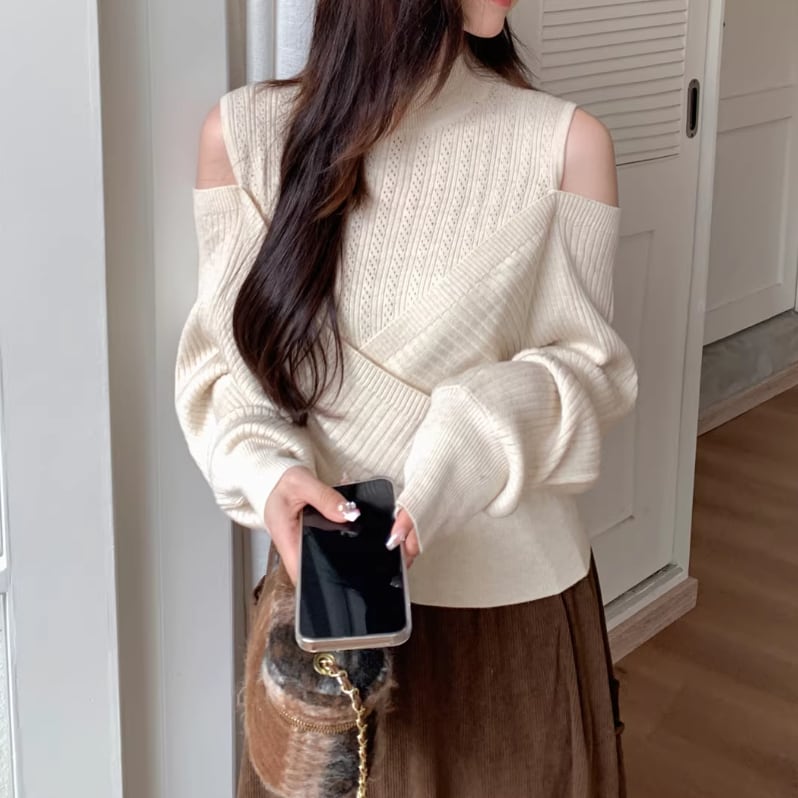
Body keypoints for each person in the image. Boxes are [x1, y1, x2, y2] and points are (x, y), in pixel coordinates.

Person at [175, 0, 639, 795]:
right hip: (325, 616)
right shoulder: (245, 138)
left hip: (509, 619)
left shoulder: (565, 145)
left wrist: (471, 436)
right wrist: (267, 471)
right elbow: (223, 373)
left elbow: (590, 375)